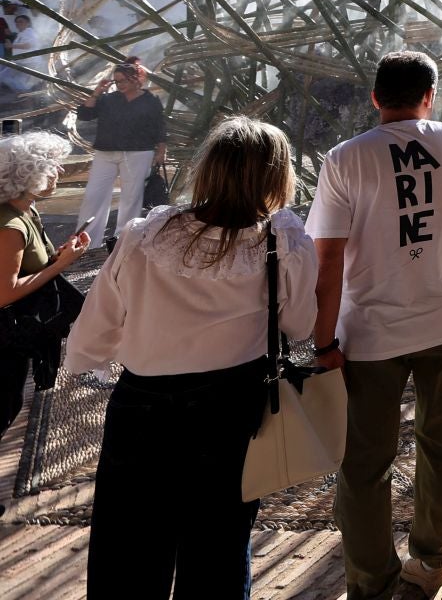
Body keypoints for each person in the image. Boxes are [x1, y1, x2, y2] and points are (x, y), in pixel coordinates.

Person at [68, 117, 316, 598]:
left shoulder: (147, 233)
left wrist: (106, 354)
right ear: (276, 174)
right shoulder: (280, 240)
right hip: (230, 407)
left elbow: (92, 332)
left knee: (128, 548)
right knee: (218, 546)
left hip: (141, 404)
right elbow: (299, 325)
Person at [307, 52, 442, 600]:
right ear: (430, 96)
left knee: (363, 462)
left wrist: (323, 341)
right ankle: (432, 558)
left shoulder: (343, 158)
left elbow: (329, 260)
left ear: (374, 97)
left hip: (369, 332)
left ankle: (370, 579)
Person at [0, 131, 90, 438]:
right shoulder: (10, 225)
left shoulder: (25, 208)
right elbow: (4, 293)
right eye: (52, 164)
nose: (61, 171)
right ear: (28, 173)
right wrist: (61, 266)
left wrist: (59, 259)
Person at [75, 58, 167, 249]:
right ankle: (87, 240)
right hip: (105, 152)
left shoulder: (150, 100)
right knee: (93, 195)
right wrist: (97, 91)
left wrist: (161, 150)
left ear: (135, 79)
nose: (119, 85)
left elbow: (159, 127)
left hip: (138, 153)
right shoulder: (109, 99)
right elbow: (84, 114)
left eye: (122, 81)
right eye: (116, 81)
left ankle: (123, 240)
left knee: (131, 198)